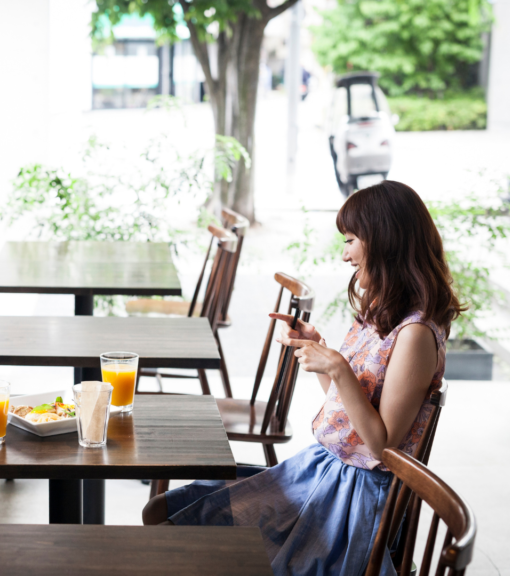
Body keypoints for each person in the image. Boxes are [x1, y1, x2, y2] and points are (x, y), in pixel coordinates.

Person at [142, 181, 464, 576]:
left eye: (351, 240)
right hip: (320, 469)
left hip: (351, 498)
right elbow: (350, 412)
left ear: (385, 241)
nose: (345, 255)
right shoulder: (384, 314)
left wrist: (338, 367)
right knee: (166, 510)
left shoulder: (415, 335)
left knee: (183, 528)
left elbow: (381, 446)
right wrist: (321, 351)